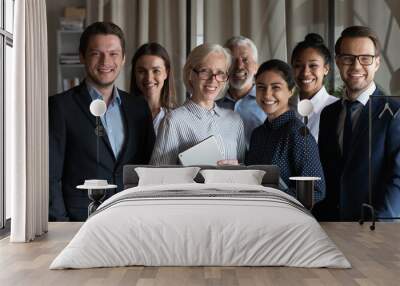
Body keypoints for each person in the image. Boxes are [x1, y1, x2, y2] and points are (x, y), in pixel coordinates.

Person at [49, 22, 155, 221]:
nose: (106, 61)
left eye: (114, 54)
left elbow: (150, 168)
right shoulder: (60, 107)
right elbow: (50, 177)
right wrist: (60, 225)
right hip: (80, 223)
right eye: (96, 53)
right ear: (82, 56)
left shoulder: (138, 107)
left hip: (131, 219)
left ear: (123, 59)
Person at [313, 26, 400, 221]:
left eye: (365, 58)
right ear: (337, 61)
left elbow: (398, 179)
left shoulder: (394, 112)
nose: (356, 66)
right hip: (332, 226)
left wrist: (378, 227)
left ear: (377, 63)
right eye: (348, 58)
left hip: (375, 230)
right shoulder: (329, 114)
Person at [150, 43, 246, 165]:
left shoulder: (235, 121)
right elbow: (159, 176)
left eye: (220, 73)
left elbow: (244, 169)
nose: (213, 80)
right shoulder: (173, 121)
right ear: (190, 74)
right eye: (205, 71)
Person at [245, 59, 325, 203]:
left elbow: (316, 190)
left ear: (290, 90)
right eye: (261, 87)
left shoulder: (298, 134)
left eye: (275, 87)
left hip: (286, 219)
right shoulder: (258, 134)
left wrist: (273, 197)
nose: (267, 95)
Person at [216, 36, 266, 146]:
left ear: (256, 66)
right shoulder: (214, 107)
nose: (239, 66)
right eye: (232, 60)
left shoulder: (268, 104)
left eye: (245, 59)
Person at [290, 33, 338, 141]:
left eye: (313, 66)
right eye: (298, 66)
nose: (305, 72)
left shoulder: (338, 109)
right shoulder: (285, 108)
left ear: (326, 69)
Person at [130, 42, 177, 135]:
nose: (149, 78)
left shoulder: (177, 116)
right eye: (141, 71)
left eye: (156, 71)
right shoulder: (123, 113)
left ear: (166, 73)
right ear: (134, 74)